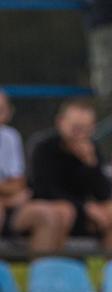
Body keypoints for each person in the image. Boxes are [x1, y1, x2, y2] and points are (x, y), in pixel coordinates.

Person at [28, 98, 112, 253]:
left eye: (86, 129)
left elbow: (104, 194)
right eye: (76, 128)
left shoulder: (91, 148)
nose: (80, 135)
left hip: (83, 212)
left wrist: (91, 163)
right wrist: (84, 208)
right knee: (63, 211)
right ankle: (48, 271)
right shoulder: (43, 147)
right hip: (53, 209)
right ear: (60, 122)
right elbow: (44, 190)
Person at [0, 89, 73, 254]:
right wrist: (6, 197)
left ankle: (44, 277)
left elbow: (18, 184)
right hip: (7, 204)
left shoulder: (10, 137)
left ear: (9, 113)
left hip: (12, 205)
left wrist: (9, 196)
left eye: (1, 110)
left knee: (50, 214)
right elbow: (12, 187)